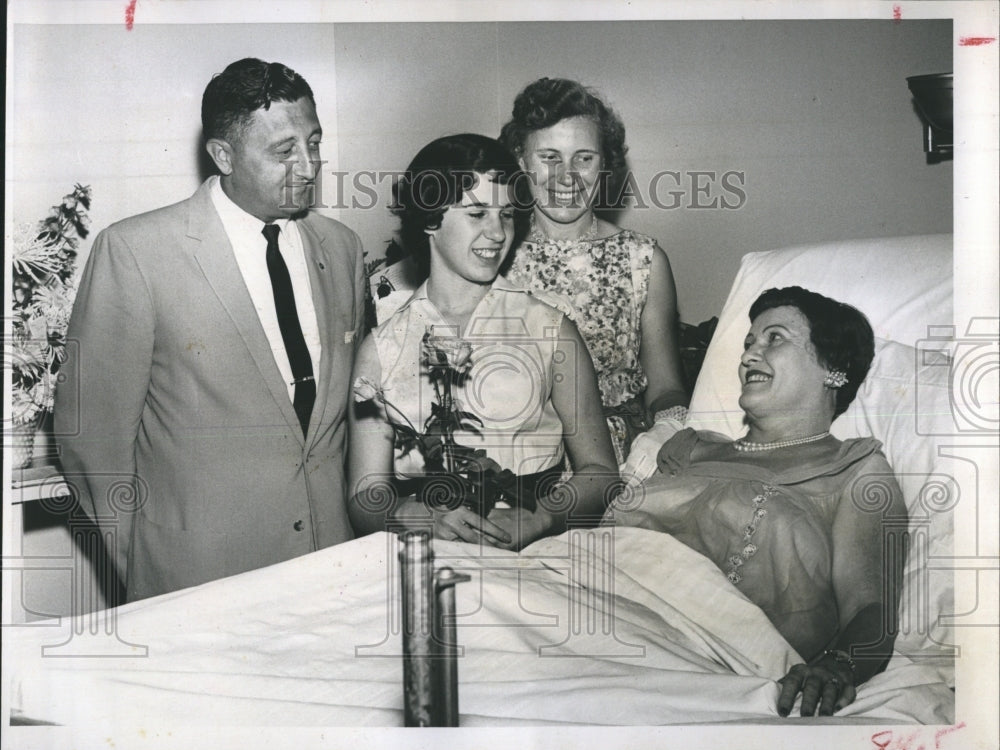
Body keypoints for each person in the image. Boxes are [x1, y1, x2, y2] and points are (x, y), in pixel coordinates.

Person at [54, 58, 366, 602]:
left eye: (314, 143)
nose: (310, 166)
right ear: (223, 155)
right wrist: (147, 563)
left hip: (328, 570)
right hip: (197, 579)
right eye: (284, 151)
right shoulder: (136, 251)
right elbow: (91, 435)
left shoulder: (340, 248)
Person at [605, 286, 907, 717]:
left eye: (775, 339)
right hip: (593, 602)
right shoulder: (686, 448)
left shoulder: (855, 470)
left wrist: (839, 664)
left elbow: (870, 609)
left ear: (833, 369)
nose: (748, 356)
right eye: (749, 343)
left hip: (701, 658)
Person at [348, 134, 618, 550]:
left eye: (507, 215)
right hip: (423, 552)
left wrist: (541, 517)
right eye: (477, 213)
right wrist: (416, 516)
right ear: (429, 220)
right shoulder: (382, 347)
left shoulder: (550, 328)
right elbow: (365, 496)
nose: (498, 233)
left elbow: (600, 472)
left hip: (532, 549)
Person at [499, 77, 689, 466]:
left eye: (584, 158)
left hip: (624, 457)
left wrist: (668, 431)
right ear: (521, 160)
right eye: (549, 157)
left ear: (605, 164)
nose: (567, 176)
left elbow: (665, 387)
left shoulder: (644, 259)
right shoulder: (494, 256)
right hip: (520, 461)